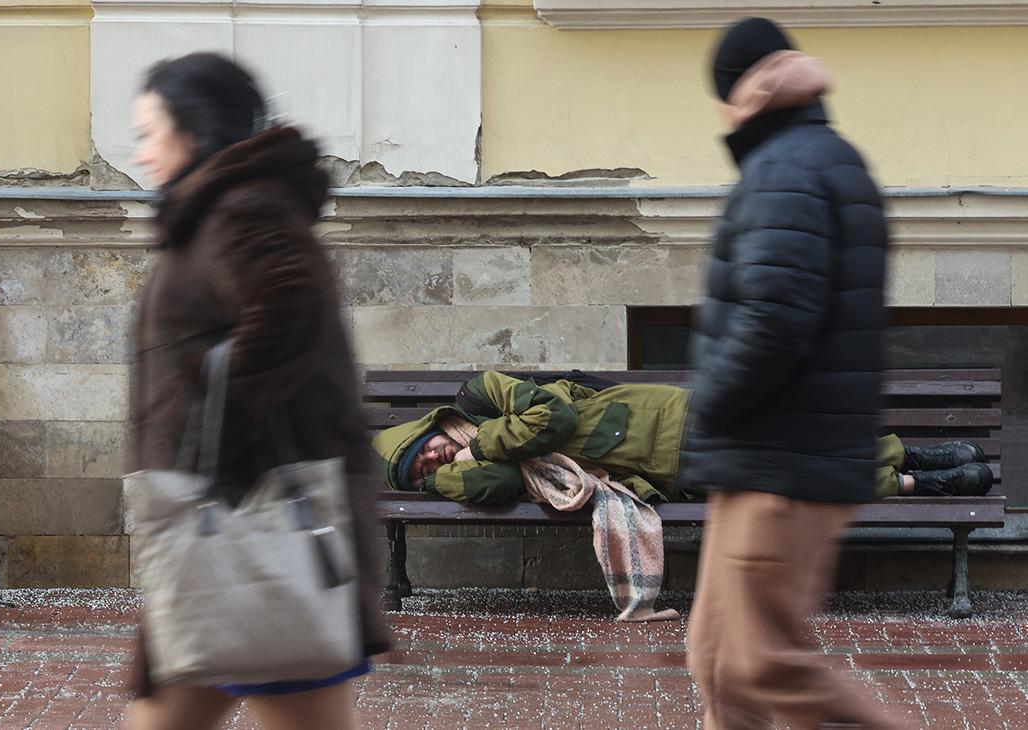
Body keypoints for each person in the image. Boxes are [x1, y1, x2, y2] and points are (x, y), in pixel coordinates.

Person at [125, 53, 390, 730]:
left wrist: (218, 416)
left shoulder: (238, 208)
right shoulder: (220, 206)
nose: (141, 151)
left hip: (260, 524)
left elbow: (290, 305)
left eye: (150, 131)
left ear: (195, 131)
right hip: (234, 529)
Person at [683, 18, 907, 728]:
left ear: (740, 95)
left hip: (782, 461)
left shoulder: (787, 169)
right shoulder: (818, 158)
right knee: (719, 662)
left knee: (761, 664)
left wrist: (707, 406)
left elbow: (777, 318)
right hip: (766, 458)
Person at [371, 370, 992, 504]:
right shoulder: (471, 459)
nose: (431, 463)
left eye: (420, 456)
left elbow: (554, 422)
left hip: (672, 419)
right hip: (675, 473)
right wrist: (464, 463)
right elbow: (497, 481)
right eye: (423, 476)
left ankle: (910, 452)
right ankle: (916, 480)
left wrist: (479, 439)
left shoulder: (480, 393)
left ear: (419, 432)